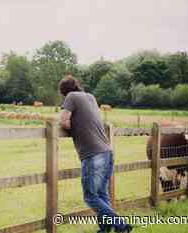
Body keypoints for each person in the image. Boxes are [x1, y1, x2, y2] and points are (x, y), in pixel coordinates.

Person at [58, 75, 132, 233]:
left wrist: (74, 128)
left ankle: (121, 225)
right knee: (101, 194)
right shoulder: (90, 97)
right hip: (107, 152)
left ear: (63, 92)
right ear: (77, 85)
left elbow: (63, 121)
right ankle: (104, 229)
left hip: (92, 154)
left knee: (90, 197)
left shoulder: (70, 97)